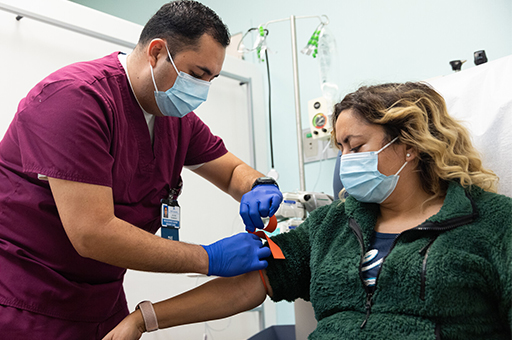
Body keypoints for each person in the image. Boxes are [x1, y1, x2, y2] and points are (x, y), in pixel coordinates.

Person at [0, 1, 282, 338]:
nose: (202, 90)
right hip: (19, 295)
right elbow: (92, 232)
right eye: (197, 75)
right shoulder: (76, 100)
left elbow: (230, 173)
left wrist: (259, 185)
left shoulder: (175, 120)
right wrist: (207, 258)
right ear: (156, 52)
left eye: (211, 79)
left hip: (97, 298)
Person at [105, 82, 511, 340]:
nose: (344, 161)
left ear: (410, 146)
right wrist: (145, 319)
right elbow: (252, 284)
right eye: (340, 149)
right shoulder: (333, 224)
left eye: (356, 146)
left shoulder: (493, 224)